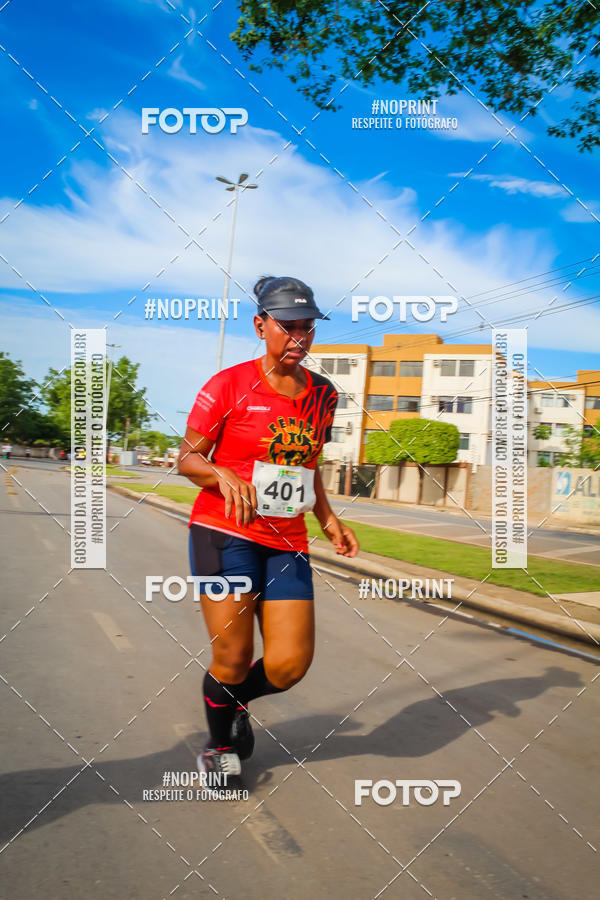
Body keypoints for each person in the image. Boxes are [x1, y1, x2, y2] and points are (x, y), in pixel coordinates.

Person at [178, 275, 359, 778]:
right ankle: (221, 751)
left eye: (308, 329)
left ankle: (231, 699)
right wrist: (219, 472)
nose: (299, 339)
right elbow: (187, 460)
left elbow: (309, 465)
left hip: (287, 542)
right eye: (288, 328)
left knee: (288, 665)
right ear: (261, 326)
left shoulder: (323, 395)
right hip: (223, 533)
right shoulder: (228, 386)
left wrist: (328, 518)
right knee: (233, 655)